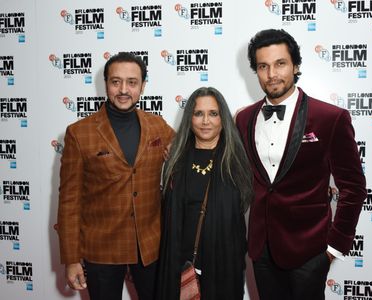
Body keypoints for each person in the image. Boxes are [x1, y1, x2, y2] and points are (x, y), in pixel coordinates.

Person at [235, 29, 367, 300]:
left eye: (280, 63)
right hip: (261, 249)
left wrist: (334, 248)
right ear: (256, 71)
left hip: (310, 250)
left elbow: (353, 187)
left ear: (295, 66)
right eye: (263, 66)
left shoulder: (330, 117)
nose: (272, 74)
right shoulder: (244, 119)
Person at [57, 52, 174, 300]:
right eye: (116, 81)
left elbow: (188, 150)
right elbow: (69, 201)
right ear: (106, 84)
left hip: (151, 246)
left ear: (142, 86)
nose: (123, 89)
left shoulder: (159, 126)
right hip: (101, 249)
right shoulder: (79, 133)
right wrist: (71, 259)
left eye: (132, 82)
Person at [156, 87, 253, 300]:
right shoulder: (175, 160)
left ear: (223, 118)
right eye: (198, 113)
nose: (206, 121)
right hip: (180, 266)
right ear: (189, 118)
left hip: (224, 266)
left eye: (213, 113)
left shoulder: (237, 162)